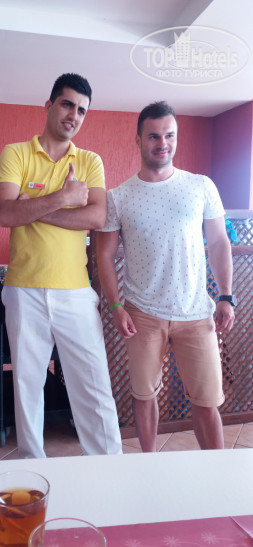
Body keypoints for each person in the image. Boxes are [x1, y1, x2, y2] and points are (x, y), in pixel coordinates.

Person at [0, 73, 122, 459]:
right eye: (67, 104)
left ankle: (109, 468)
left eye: (82, 110)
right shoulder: (16, 153)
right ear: (49, 106)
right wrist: (64, 197)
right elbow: (4, 214)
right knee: (27, 387)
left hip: (76, 293)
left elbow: (96, 217)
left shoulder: (89, 161)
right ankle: (34, 469)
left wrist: (33, 208)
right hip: (24, 289)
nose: (74, 115)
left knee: (94, 388)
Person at [97, 101, 235, 453]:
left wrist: (226, 295)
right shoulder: (118, 197)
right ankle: (149, 464)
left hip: (196, 313)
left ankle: (215, 469)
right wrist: (115, 306)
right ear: (139, 140)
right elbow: (105, 255)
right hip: (142, 313)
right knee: (144, 396)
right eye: (154, 136)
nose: (163, 143)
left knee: (207, 401)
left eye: (169, 135)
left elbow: (219, 242)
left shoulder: (200, 186)